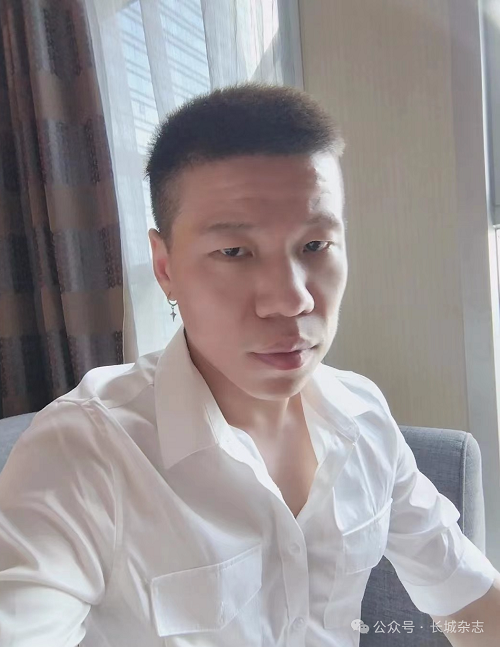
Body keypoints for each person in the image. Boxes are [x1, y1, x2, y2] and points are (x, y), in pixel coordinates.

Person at [0, 83, 498, 647]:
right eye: (234, 252)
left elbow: (468, 598)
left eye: (315, 246)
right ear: (165, 267)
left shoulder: (362, 416)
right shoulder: (86, 451)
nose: (291, 299)